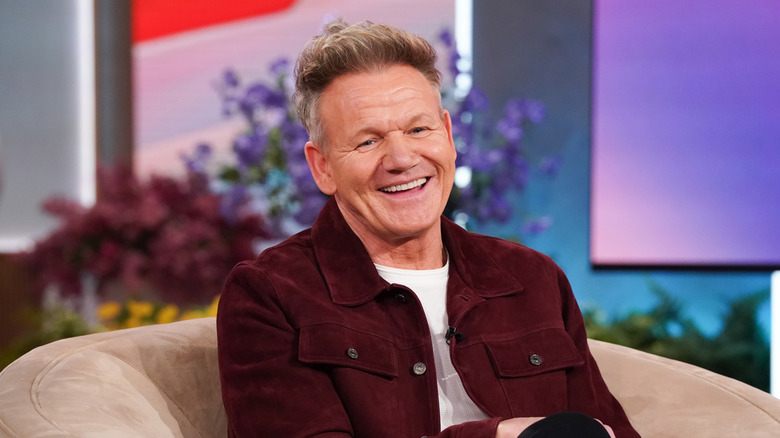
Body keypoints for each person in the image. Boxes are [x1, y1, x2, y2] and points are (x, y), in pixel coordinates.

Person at [217, 19, 640, 438]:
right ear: (322, 166)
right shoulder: (270, 295)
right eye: (368, 141)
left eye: (419, 129)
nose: (402, 158)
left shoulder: (533, 279)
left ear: (449, 136)